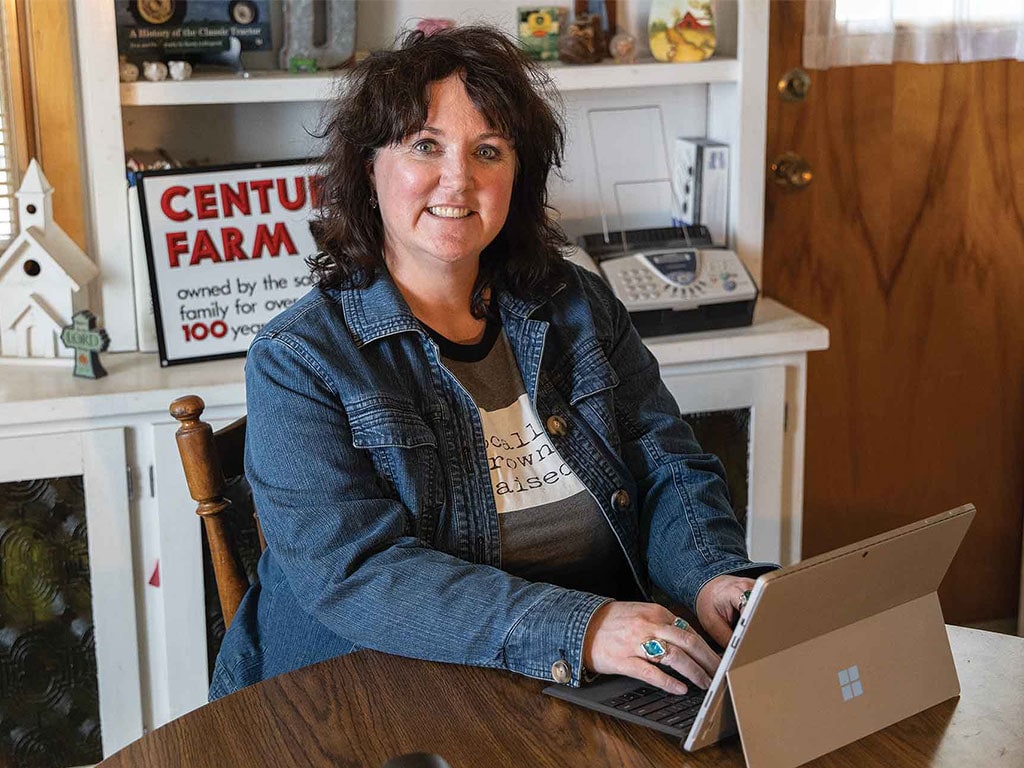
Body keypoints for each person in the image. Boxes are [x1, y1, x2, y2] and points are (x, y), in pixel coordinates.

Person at [211, 26, 774, 701]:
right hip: (373, 694)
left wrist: (714, 576)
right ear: (368, 167)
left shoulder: (579, 305)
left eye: (488, 150)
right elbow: (355, 573)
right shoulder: (297, 360)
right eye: (425, 145)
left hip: (580, 679)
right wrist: (582, 627)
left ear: (518, 175)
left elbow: (665, 464)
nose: (459, 179)